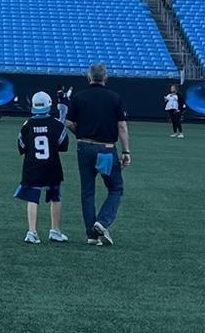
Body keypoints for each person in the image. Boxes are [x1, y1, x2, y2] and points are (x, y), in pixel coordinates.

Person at [64, 62, 129, 247]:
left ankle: (91, 235)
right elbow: (122, 126)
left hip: (84, 148)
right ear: (105, 77)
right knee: (115, 188)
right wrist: (126, 151)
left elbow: (68, 123)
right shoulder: (115, 98)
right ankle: (103, 221)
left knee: (87, 191)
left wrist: (81, 132)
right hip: (106, 150)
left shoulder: (79, 97)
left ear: (89, 77)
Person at [16, 92, 70, 243]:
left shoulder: (27, 125)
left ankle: (32, 232)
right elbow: (63, 145)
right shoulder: (57, 124)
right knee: (55, 197)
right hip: (52, 166)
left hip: (32, 167)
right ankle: (55, 231)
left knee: (33, 199)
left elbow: (21, 146)